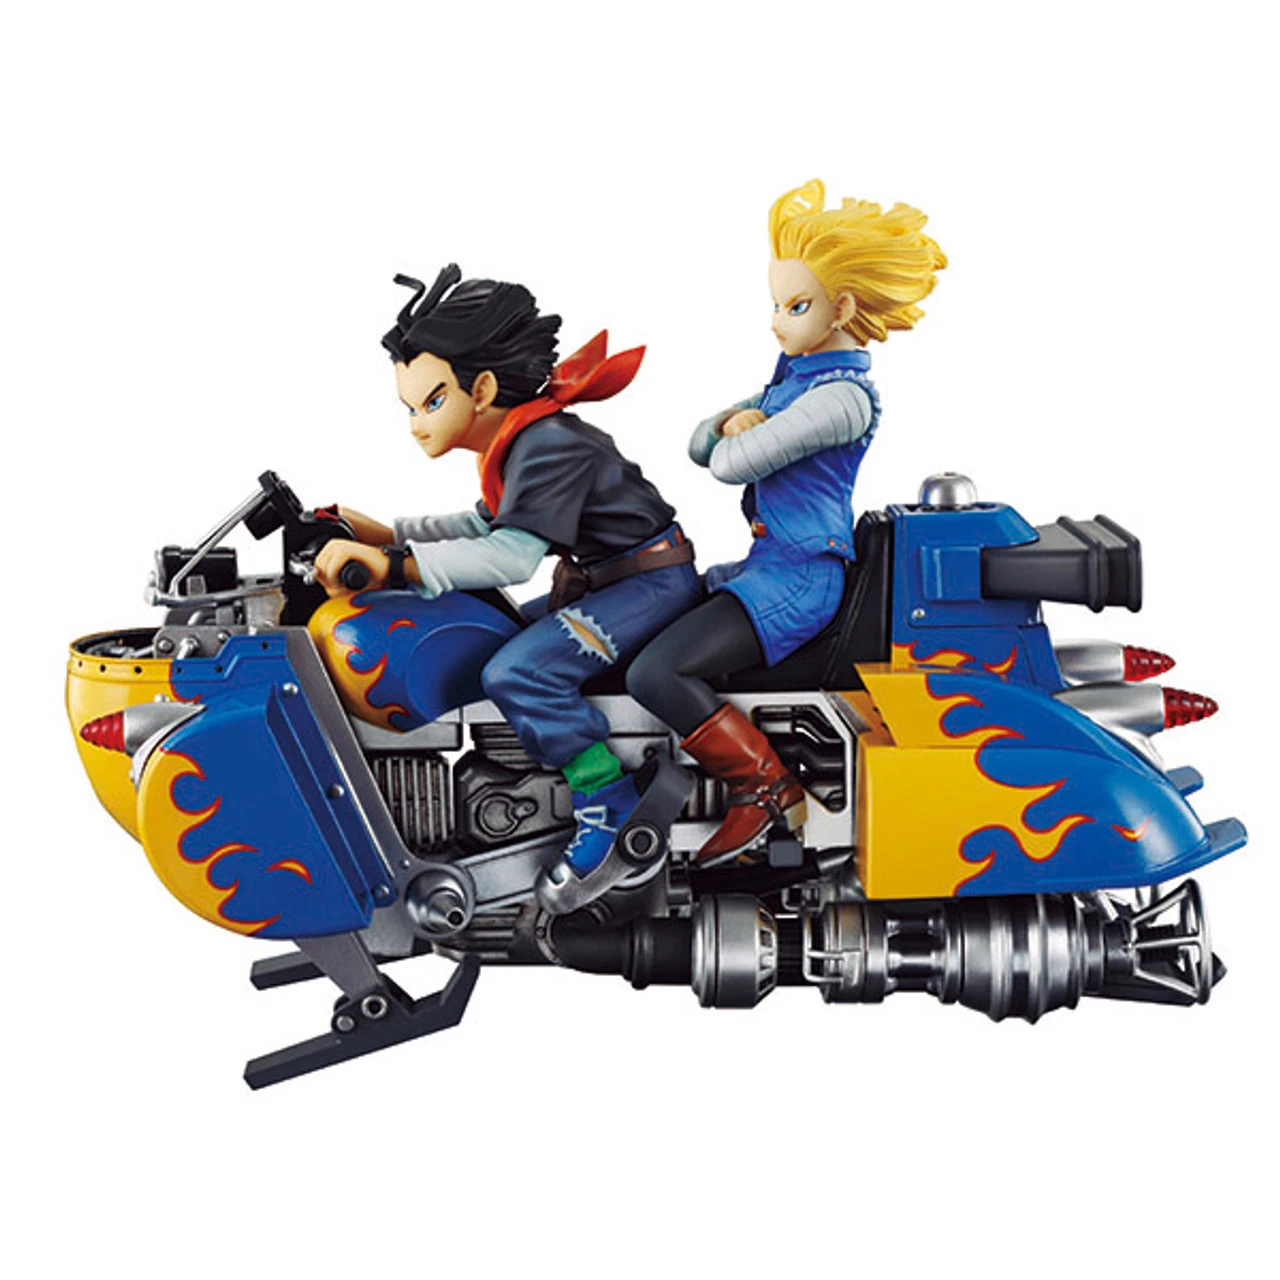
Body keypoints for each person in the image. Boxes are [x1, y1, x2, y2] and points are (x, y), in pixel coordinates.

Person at [314, 265, 699, 901]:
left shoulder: (547, 444)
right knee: (497, 639)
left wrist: (398, 566)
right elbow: (484, 524)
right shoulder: (521, 442)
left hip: (647, 588)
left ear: (483, 388)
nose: (416, 422)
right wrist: (386, 534)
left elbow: (512, 556)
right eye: (410, 407)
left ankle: (608, 804)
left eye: (431, 402)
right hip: (608, 584)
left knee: (516, 671)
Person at [627, 180, 947, 862]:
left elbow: (730, 463)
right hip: (763, 570)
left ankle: (765, 788)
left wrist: (738, 429)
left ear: (843, 308)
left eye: (795, 306)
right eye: (775, 304)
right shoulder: (795, 380)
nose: (777, 321)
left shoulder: (841, 399)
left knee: (655, 673)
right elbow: (700, 442)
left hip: (799, 581)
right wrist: (734, 422)